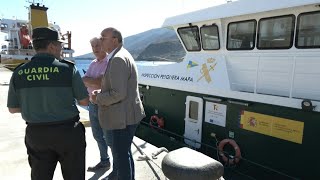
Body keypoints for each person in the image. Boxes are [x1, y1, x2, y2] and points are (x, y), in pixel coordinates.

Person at [7, 27, 89, 180]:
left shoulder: (19, 72)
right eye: (60, 45)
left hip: (37, 135)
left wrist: (35, 105)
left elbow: (13, 108)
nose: (61, 48)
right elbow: (84, 100)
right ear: (51, 46)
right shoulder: (68, 69)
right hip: (68, 133)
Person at [92, 27, 145, 180]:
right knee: (125, 154)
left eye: (103, 38)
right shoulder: (122, 55)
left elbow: (118, 93)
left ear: (114, 40)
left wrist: (98, 98)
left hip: (121, 119)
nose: (100, 40)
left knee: (121, 158)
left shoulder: (117, 59)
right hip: (127, 115)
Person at [82, 37, 110, 171]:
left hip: (105, 105)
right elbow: (84, 80)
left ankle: (117, 165)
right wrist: (91, 80)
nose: (95, 49)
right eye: (93, 47)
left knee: (110, 136)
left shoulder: (109, 62)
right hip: (92, 105)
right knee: (97, 135)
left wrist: (90, 80)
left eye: (97, 45)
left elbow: (100, 83)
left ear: (103, 45)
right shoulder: (93, 63)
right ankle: (105, 161)